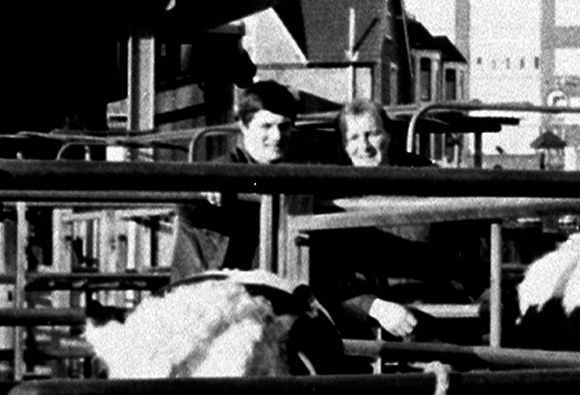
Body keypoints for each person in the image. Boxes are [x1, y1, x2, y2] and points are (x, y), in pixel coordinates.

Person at [310, 98, 478, 339]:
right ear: (344, 146)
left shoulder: (426, 179)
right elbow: (331, 278)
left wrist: (470, 290)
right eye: (354, 138)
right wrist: (377, 308)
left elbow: (465, 241)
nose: (364, 146)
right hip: (367, 321)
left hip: (435, 310)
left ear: (388, 136)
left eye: (372, 134)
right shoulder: (333, 195)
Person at [168, 81, 330, 279]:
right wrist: (204, 183)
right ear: (243, 127)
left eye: (284, 126)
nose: (277, 136)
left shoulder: (293, 173)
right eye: (266, 126)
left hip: (263, 288)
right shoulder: (220, 172)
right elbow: (185, 204)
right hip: (211, 292)